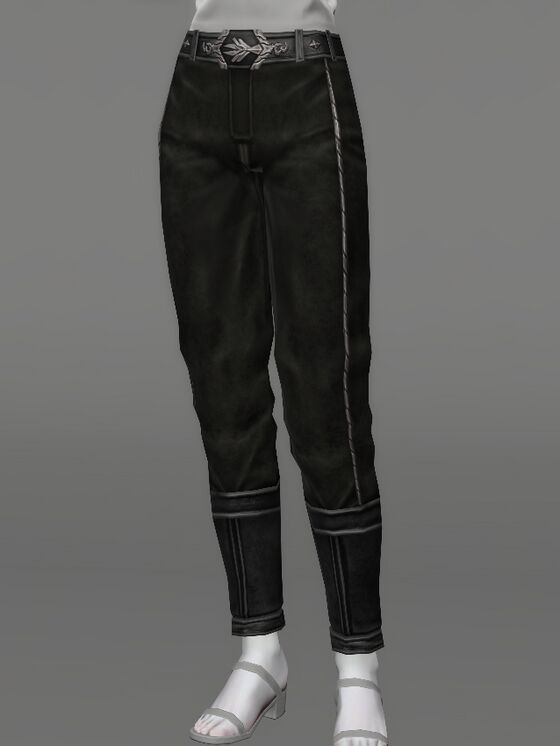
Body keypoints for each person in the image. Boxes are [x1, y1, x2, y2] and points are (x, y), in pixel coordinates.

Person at [158, 1, 389, 743]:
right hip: (197, 91)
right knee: (221, 381)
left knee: (327, 385)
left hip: (305, 83)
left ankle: (358, 668)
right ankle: (259, 653)